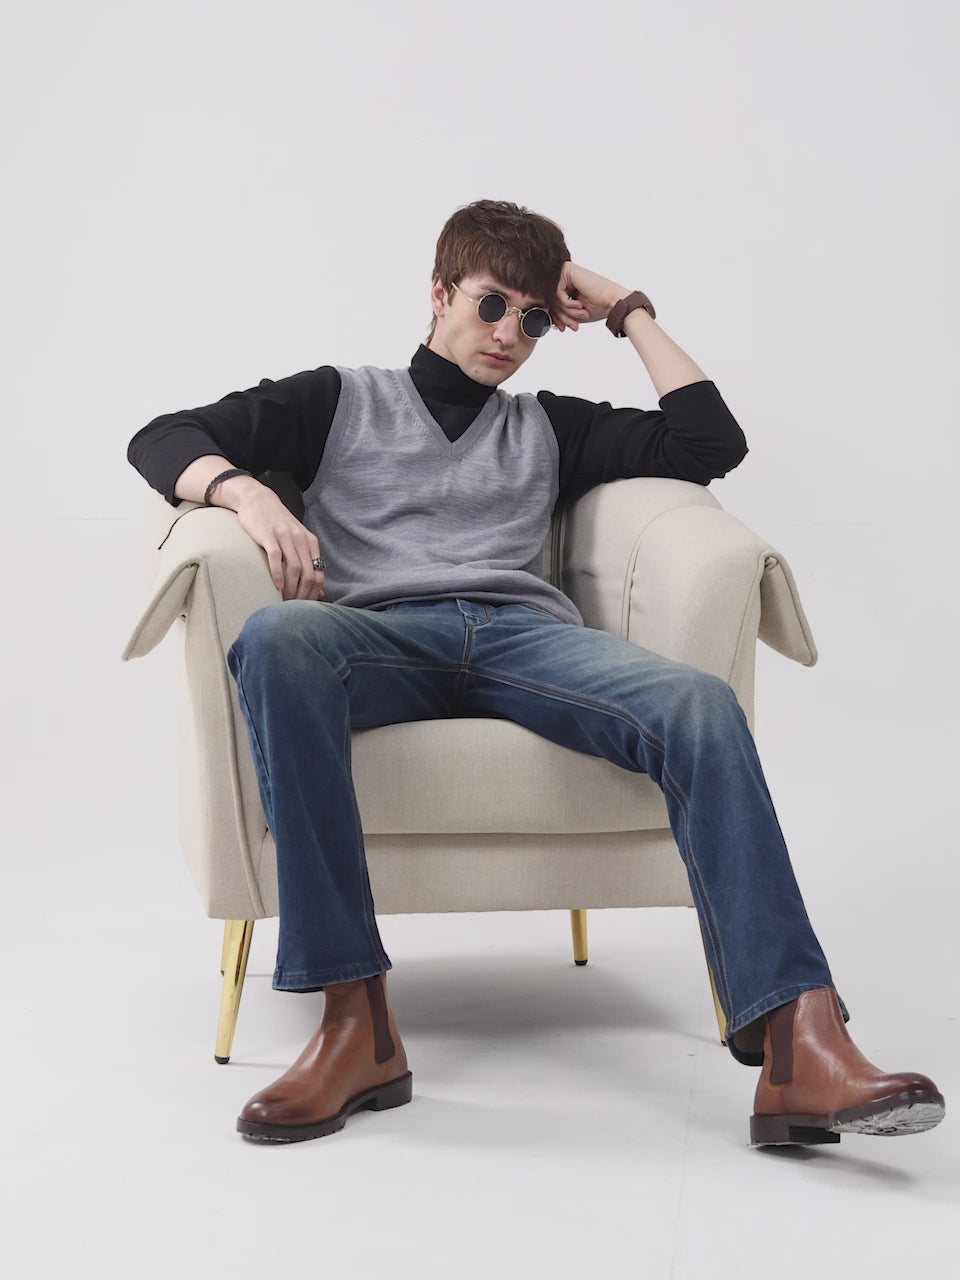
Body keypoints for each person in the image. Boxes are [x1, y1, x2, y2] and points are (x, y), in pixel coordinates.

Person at [128, 199, 944, 1148]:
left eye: (533, 319)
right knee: (277, 639)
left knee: (699, 702)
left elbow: (709, 444)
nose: (509, 335)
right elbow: (161, 437)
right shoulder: (339, 398)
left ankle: (803, 1045)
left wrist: (626, 308)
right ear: (440, 293)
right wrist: (246, 493)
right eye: (490, 305)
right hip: (381, 638)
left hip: (524, 641)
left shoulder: (549, 427)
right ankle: (356, 1028)